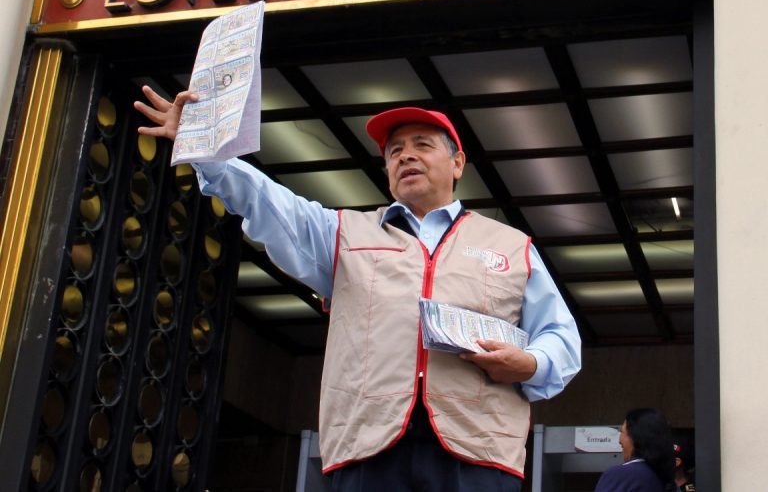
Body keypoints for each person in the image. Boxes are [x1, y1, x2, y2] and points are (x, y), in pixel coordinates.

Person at [136, 89, 581, 492]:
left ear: (458, 163)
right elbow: (270, 204)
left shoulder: (510, 245)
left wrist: (529, 363)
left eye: (422, 145)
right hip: (368, 449)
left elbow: (562, 340)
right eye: (394, 152)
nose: (406, 156)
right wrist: (207, 155)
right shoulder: (344, 232)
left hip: (479, 454)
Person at [595, 408, 676, 492]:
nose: (619, 440)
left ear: (636, 437)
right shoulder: (662, 478)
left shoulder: (619, 475)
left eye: (622, 432)